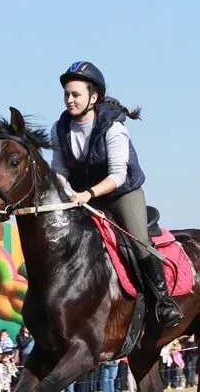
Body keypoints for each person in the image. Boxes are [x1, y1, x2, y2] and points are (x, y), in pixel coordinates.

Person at [51, 60, 182, 328]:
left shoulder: (113, 128)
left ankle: (164, 302)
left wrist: (87, 193)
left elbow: (117, 176)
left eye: (75, 94)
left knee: (138, 241)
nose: (69, 100)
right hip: (84, 197)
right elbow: (58, 171)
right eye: (66, 94)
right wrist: (67, 192)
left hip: (122, 193)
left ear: (94, 96)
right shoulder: (59, 129)